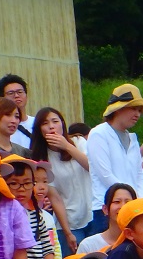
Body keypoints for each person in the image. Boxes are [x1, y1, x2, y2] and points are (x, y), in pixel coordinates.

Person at [29, 107, 95, 249]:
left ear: (63, 124)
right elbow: (55, 198)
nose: (51, 126)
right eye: (45, 123)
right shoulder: (42, 158)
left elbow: (92, 167)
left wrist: (67, 146)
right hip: (70, 222)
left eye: (55, 121)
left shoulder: (78, 142)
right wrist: (67, 232)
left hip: (93, 215)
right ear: (39, 130)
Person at [87, 85, 143, 221]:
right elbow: (105, 174)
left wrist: (141, 202)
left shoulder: (133, 138)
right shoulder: (99, 134)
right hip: (107, 209)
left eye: (139, 110)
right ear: (118, 109)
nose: (137, 114)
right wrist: (130, 199)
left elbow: (139, 174)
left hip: (134, 210)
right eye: (133, 108)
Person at [6, 158, 56, 259]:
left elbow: (47, 248)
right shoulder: (4, 219)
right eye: (14, 183)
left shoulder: (36, 215)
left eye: (27, 183)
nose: (21, 189)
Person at [78, 183, 136, 254]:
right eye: (117, 202)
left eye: (128, 202)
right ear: (105, 209)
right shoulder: (88, 245)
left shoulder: (142, 244)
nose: (123, 206)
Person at [0, 74, 34, 151]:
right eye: (11, 93)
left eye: (20, 92)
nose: (16, 95)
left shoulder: (37, 122)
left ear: (26, 95)